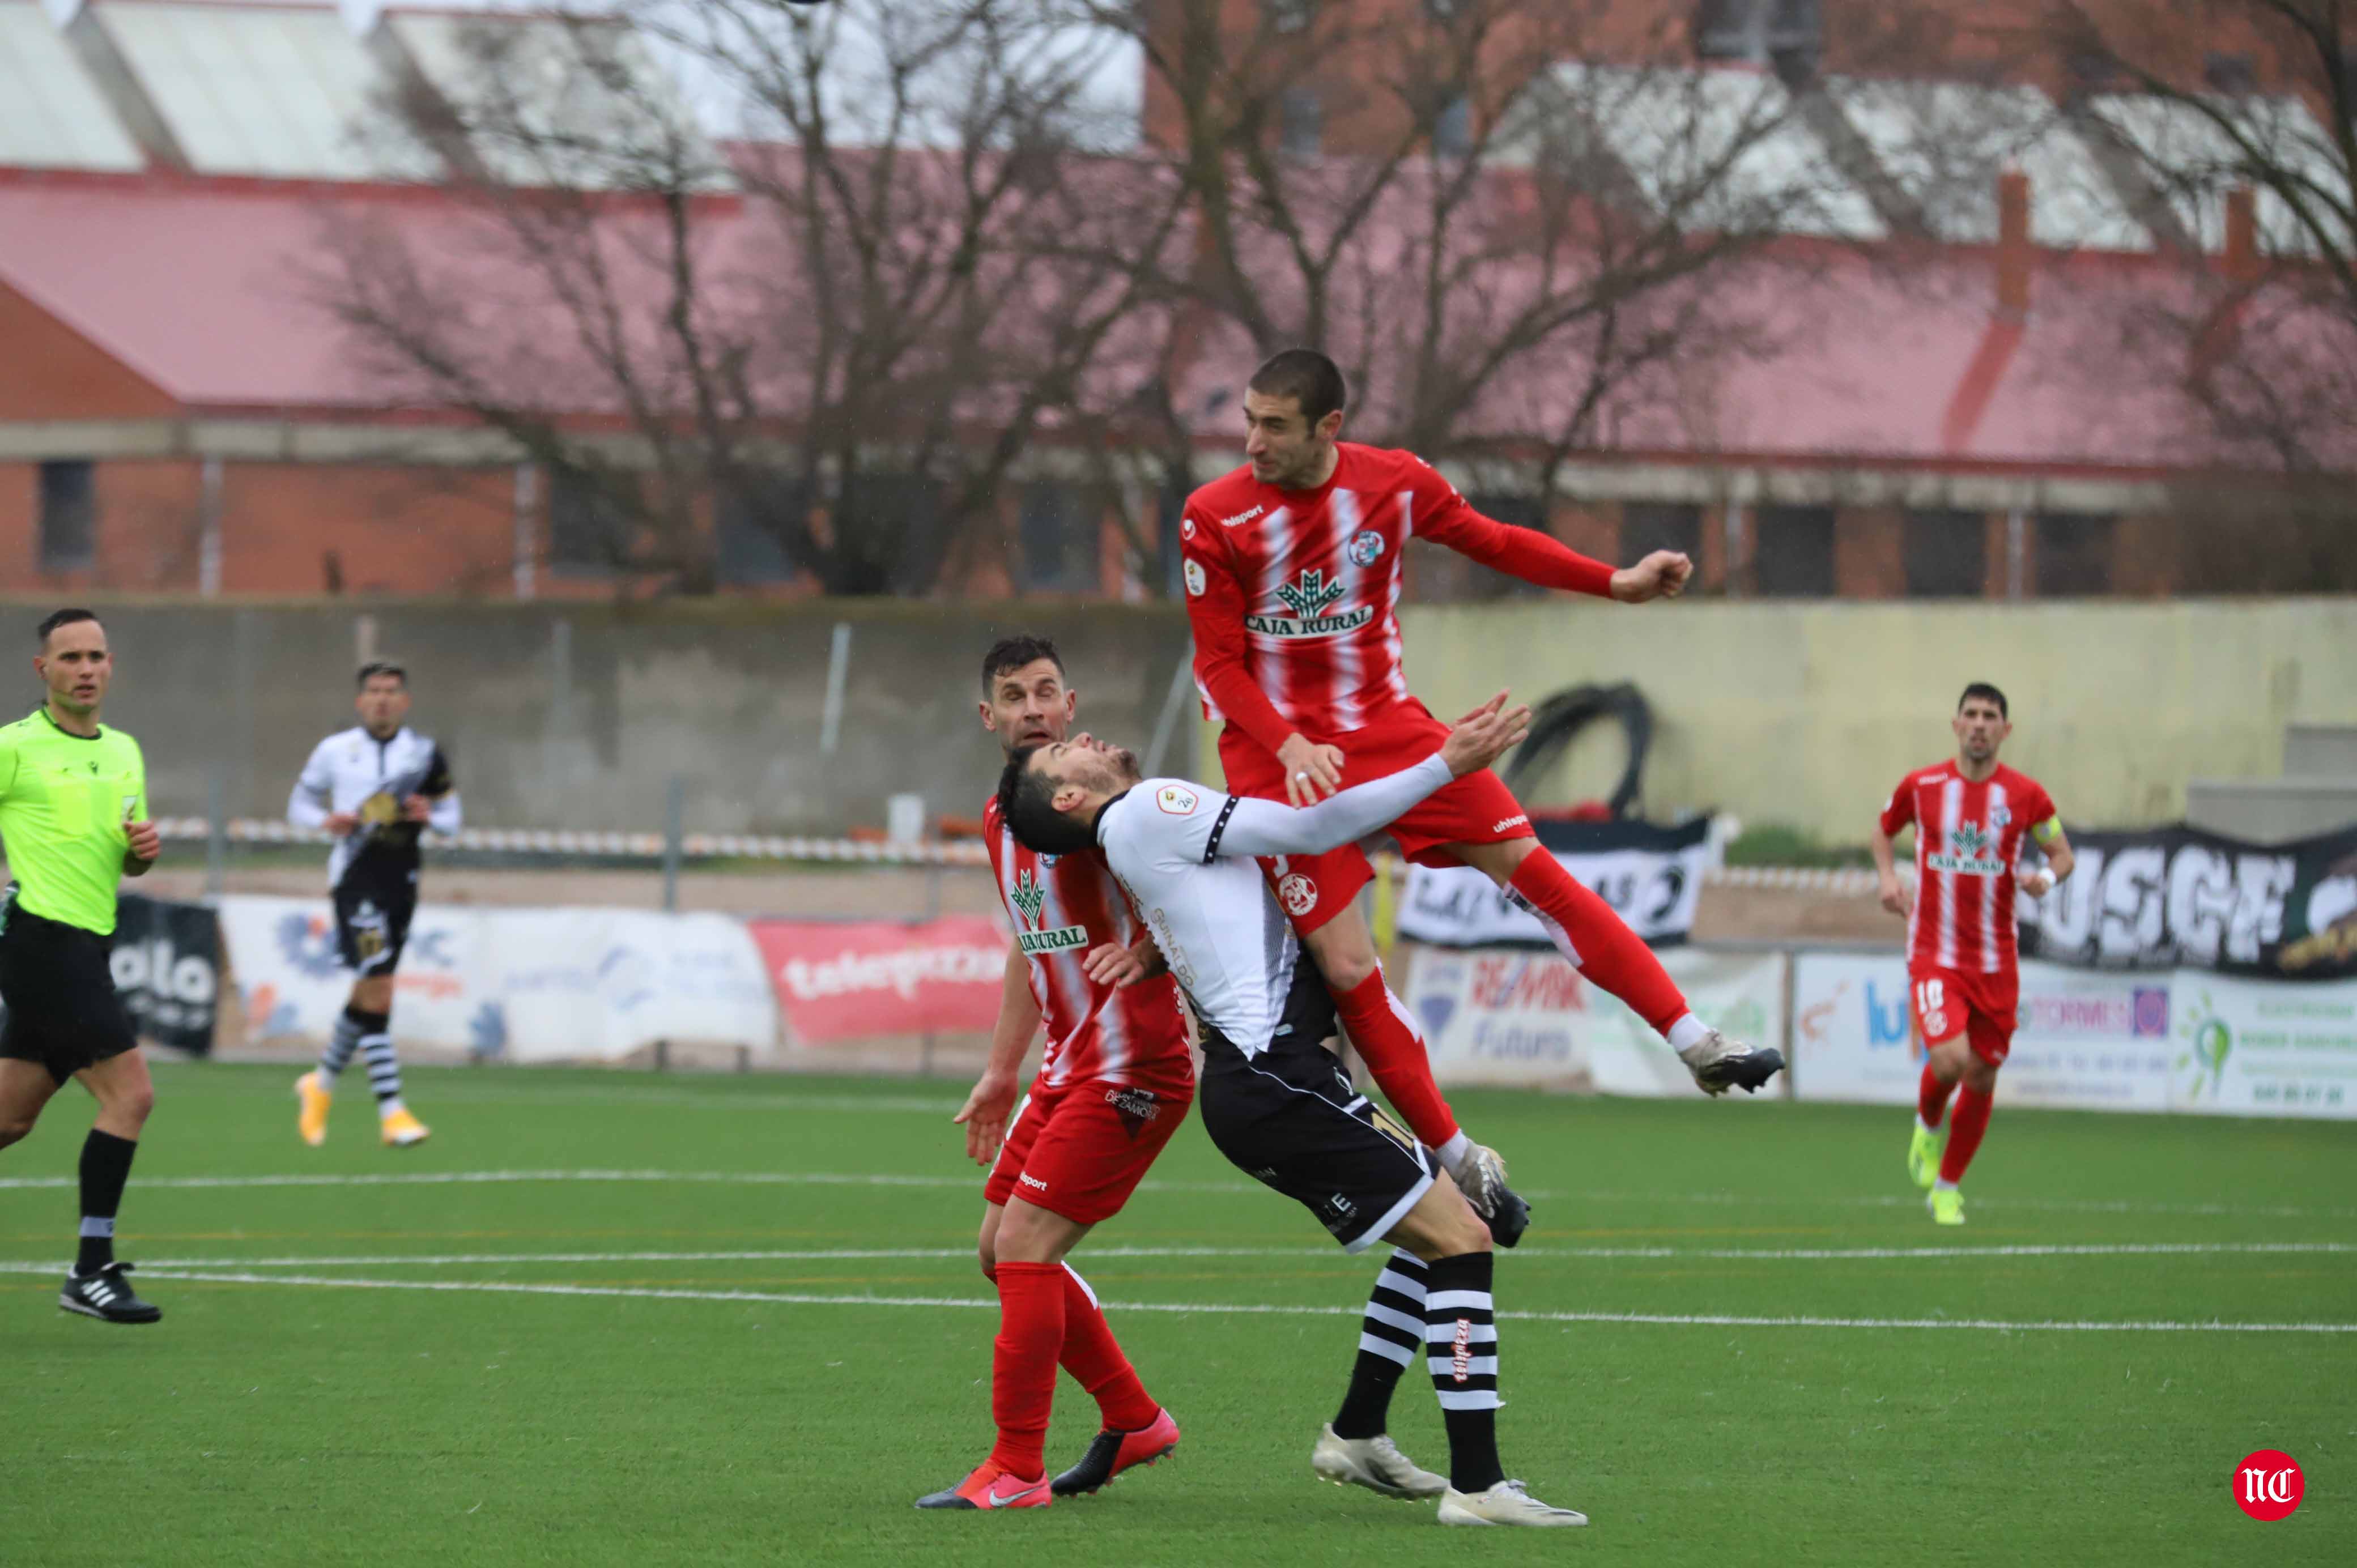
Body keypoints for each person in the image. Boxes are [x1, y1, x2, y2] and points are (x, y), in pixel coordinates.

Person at [997, 694, 1586, 1527]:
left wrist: (1151, 956)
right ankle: (1479, 1486)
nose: (1080, 737)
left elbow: (1221, 916)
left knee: (1438, 1235)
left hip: (1271, 1084)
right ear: (1068, 799)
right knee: (1462, 1242)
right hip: (1277, 1081)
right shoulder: (1150, 806)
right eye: (1063, 756)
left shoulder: (1133, 832)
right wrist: (1444, 767)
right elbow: (1312, 832)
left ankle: (1358, 1434)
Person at [1179, 348, 1782, 1115]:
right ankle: (1454, 1155)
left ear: (1330, 427)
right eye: (1248, 421)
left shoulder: (1394, 482)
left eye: (1274, 426)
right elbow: (1221, 667)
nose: (1252, 443)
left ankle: (1697, 1042)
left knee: (1536, 871)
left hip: (1388, 729)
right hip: (1277, 757)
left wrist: (1615, 582)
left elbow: (1495, 541)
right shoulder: (1214, 514)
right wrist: (1291, 744)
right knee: (1345, 959)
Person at [914, 636, 1194, 1512]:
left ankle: (1017, 1470)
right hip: (1070, 1067)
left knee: (1028, 1249)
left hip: (1135, 1067)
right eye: (1013, 694)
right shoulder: (1009, 816)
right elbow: (1030, 949)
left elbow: (1193, 906)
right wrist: (1002, 1073)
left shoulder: (1111, 806)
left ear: (1070, 706)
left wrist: (1146, 957)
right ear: (988, 715)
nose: (1033, 708)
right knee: (998, 1253)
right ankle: (1134, 1418)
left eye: (1046, 693)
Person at [0, 608, 165, 1324]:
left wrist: (142, 850)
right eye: (70, 657)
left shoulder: (125, 750)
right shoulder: (14, 747)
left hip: (90, 940)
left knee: (8, 1119)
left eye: (97, 655)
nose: (87, 668)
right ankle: (91, 1269)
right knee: (131, 1096)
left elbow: (124, 855)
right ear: (44, 670)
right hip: (41, 939)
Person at [1871, 683, 2075, 1226]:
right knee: (1950, 1060)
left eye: (1990, 716)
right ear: (1956, 725)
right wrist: (1889, 878)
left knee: (1983, 1076)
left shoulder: (2027, 796)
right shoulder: (1923, 786)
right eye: (1971, 715)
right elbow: (1883, 828)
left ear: (2005, 731)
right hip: (1935, 953)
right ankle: (1927, 1124)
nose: (1980, 724)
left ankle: (1947, 1187)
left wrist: (2046, 879)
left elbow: (2062, 852)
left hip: (1996, 961)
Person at [286, 662, 458, 1149]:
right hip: (355, 881)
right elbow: (297, 806)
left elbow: (453, 817)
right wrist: (327, 821)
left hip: (401, 881)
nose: (382, 700)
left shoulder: (424, 755)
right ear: (361, 701)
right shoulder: (336, 751)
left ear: (405, 701)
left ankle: (319, 1085)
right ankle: (392, 1111)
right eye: (374, 692)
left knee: (369, 993)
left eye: (391, 692)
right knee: (380, 989)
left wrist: (431, 816)